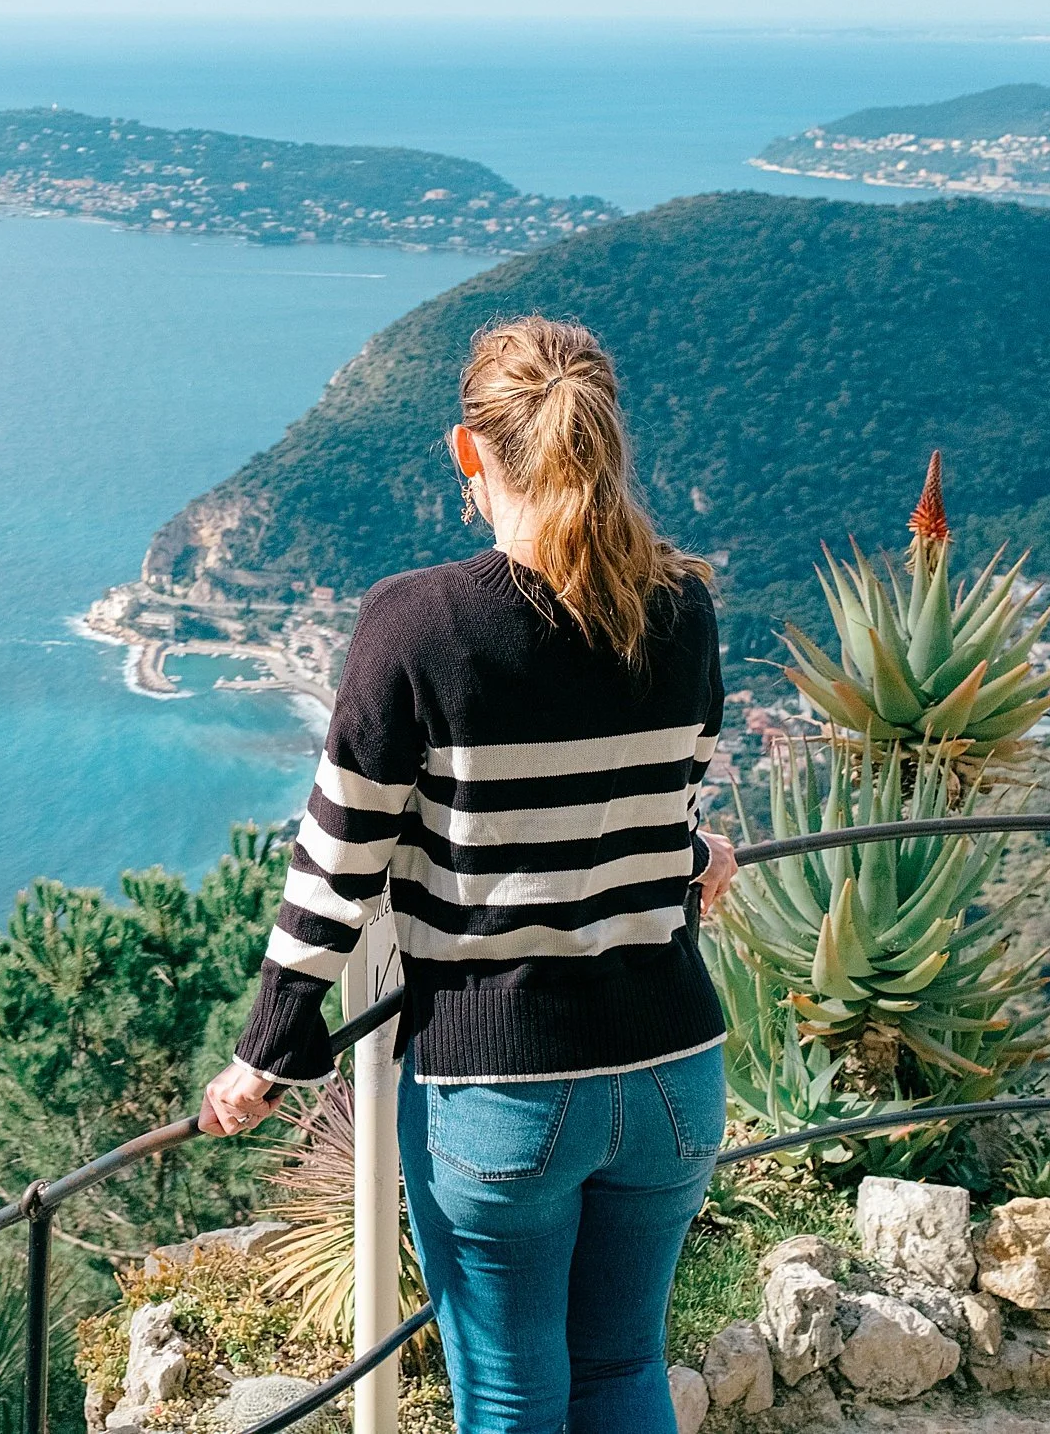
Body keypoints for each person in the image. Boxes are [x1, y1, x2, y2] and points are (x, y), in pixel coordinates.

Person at [198, 315, 738, 1434]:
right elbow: (655, 806)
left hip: (503, 1083)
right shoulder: (680, 605)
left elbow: (337, 860)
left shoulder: (419, 623)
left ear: (467, 449)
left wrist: (268, 1048)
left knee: (509, 1390)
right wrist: (692, 855)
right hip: (672, 1066)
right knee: (622, 1367)